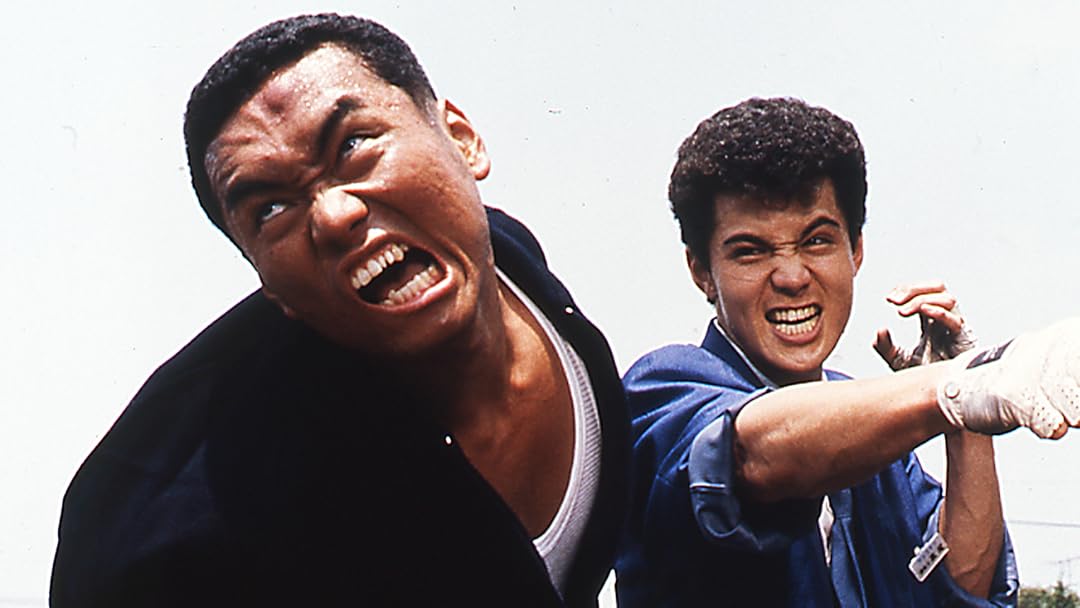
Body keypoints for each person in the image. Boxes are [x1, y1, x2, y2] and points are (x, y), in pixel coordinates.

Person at [50, 14, 628, 607]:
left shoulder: (516, 268)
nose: (333, 216)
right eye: (271, 209)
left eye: (352, 146)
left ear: (462, 139)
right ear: (269, 286)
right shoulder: (212, 529)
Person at [615, 97, 1080, 606]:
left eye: (816, 241)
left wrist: (965, 423)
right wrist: (958, 386)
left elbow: (959, 587)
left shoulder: (881, 454)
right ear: (702, 271)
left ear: (855, 249)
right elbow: (753, 453)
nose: (792, 277)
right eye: (751, 251)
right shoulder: (661, 392)